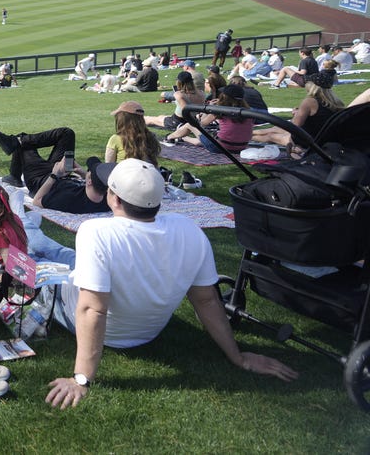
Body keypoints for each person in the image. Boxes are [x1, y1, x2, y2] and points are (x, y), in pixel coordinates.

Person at [41, 159, 297, 409]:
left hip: (103, 328)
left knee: (36, 257)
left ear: (115, 199)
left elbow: (91, 310)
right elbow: (207, 301)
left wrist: (82, 378)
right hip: (148, 331)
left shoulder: (95, 231)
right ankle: (34, 234)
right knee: (65, 255)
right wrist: (237, 356)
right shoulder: (189, 229)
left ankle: (29, 230)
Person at [0, 124, 110, 214]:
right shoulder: (106, 199)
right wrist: (82, 172)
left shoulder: (69, 197)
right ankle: (14, 145)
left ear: (89, 182)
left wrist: (54, 175)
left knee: (23, 143)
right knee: (67, 133)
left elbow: (37, 201)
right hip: (62, 174)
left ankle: (15, 173)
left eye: (90, 171)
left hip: (41, 181)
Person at [250, 68, 343, 149]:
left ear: (312, 85)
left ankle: (243, 136)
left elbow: (294, 126)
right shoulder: (336, 102)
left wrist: (296, 114)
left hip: (310, 140)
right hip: (325, 138)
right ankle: (246, 134)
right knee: (275, 129)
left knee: (271, 136)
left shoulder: (310, 101)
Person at [163, 85, 254, 153]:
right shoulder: (248, 111)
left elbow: (201, 124)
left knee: (190, 125)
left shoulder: (220, 110)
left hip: (221, 147)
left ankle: (169, 137)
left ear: (225, 96)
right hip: (241, 147)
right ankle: (183, 138)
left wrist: (210, 108)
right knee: (205, 139)